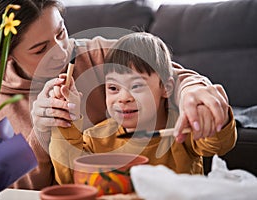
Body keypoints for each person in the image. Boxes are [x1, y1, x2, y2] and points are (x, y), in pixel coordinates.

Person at [0, 0, 231, 190]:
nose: (62, 52)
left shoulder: (96, 53)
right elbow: (16, 190)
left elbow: (170, 74)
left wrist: (193, 91)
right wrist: (41, 133)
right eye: (41, 49)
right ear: (6, 58)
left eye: (61, 32)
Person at [49, 32, 237, 184]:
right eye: (113, 88)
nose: (123, 98)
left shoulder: (182, 129)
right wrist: (66, 120)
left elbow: (219, 145)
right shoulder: (96, 138)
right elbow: (68, 179)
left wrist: (213, 116)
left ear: (166, 87)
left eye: (137, 86)